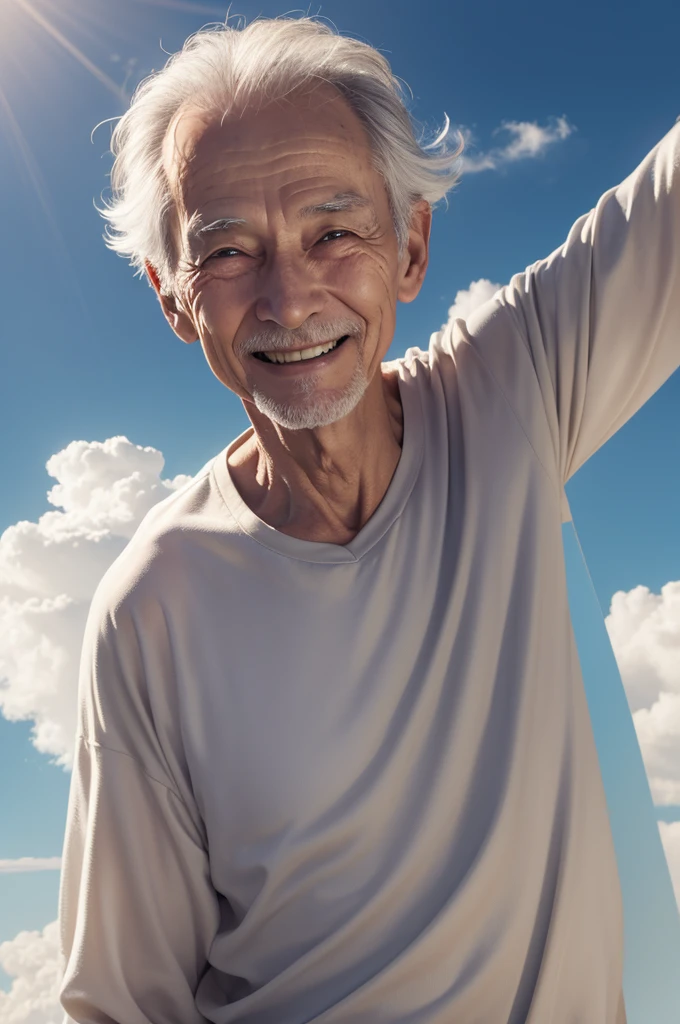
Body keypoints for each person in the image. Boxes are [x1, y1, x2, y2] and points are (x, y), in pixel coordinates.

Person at [57, 15, 680, 1024]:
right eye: (226, 251)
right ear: (171, 296)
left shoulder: (509, 394)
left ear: (411, 246)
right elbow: (122, 1005)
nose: (289, 298)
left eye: (332, 231)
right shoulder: (149, 612)